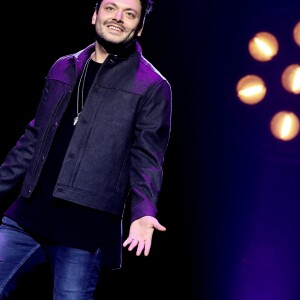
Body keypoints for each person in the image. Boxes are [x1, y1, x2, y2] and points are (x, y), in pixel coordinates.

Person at [0, 0, 172, 298]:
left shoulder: (152, 85)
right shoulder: (64, 67)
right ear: (95, 15)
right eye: (110, 8)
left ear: (140, 27)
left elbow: (148, 157)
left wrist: (143, 212)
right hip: (28, 214)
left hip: (84, 228)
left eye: (129, 14)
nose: (118, 18)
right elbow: (33, 137)